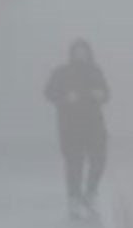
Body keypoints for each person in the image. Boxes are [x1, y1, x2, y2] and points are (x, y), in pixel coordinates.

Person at [45, 39, 110, 218]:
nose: (80, 54)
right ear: (71, 53)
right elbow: (49, 92)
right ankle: (73, 198)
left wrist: (101, 95)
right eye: (77, 51)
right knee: (74, 164)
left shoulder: (95, 72)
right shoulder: (62, 73)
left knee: (99, 159)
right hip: (70, 126)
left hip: (94, 124)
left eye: (84, 51)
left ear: (89, 53)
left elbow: (106, 92)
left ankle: (91, 193)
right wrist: (65, 98)